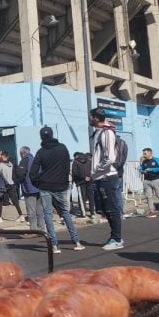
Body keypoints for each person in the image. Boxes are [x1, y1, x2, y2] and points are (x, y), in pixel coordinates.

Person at [29, 127, 83, 254]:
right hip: (61, 185)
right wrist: (64, 181)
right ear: (52, 135)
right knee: (65, 213)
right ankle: (77, 242)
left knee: (47, 213)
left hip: (45, 186)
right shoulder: (62, 148)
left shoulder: (41, 152)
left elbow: (32, 172)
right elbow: (66, 167)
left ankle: (54, 245)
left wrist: (38, 182)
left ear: (41, 137)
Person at [89, 108, 124, 250]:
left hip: (107, 176)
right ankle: (114, 236)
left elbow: (110, 158)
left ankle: (117, 239)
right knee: (104, 208)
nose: (89, 119)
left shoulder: (107, 132)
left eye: (90, 117)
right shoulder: (99, 132)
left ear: (96, 119)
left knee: (112, 208)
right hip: (101, 177)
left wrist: (98, 169)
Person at [17, 146, 44, 231]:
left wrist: (18, 182)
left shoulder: (24, 160)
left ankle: (34, 229)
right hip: (40, 187)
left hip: (29, 189)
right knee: (39, 210)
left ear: (22, 153)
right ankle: (41, 227)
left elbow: (21, 174)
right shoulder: (37, 159)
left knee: (31, 210)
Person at [139, 148, 159, 218]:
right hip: (147, 180)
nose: (144, 155)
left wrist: (151, 169)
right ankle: (152, 211)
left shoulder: (156, 160)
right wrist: (142, 171)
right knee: (148, 196)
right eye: (143, 153)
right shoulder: (144, 161)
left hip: (156, 180)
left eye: (145, 153)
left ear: (150, 153)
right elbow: (141, 168)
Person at [0, 151, 24, 222]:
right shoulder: (11, 164)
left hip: (4, 185)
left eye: (2, 156)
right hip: (12, 184)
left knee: (0, 201)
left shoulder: (1, 165)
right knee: (15, 201)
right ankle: (21, 215)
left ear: (3, 157)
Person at [71, 152, 96, 219]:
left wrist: (82, 178)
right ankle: (92, 213)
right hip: (90, 181)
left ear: (76, 156)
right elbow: (93, 170)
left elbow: (75, 173)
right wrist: (89, 177)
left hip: (80, 182)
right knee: (91, 197)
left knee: (82, 198)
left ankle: (83, 213)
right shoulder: (89, 161)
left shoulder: (75, 162)